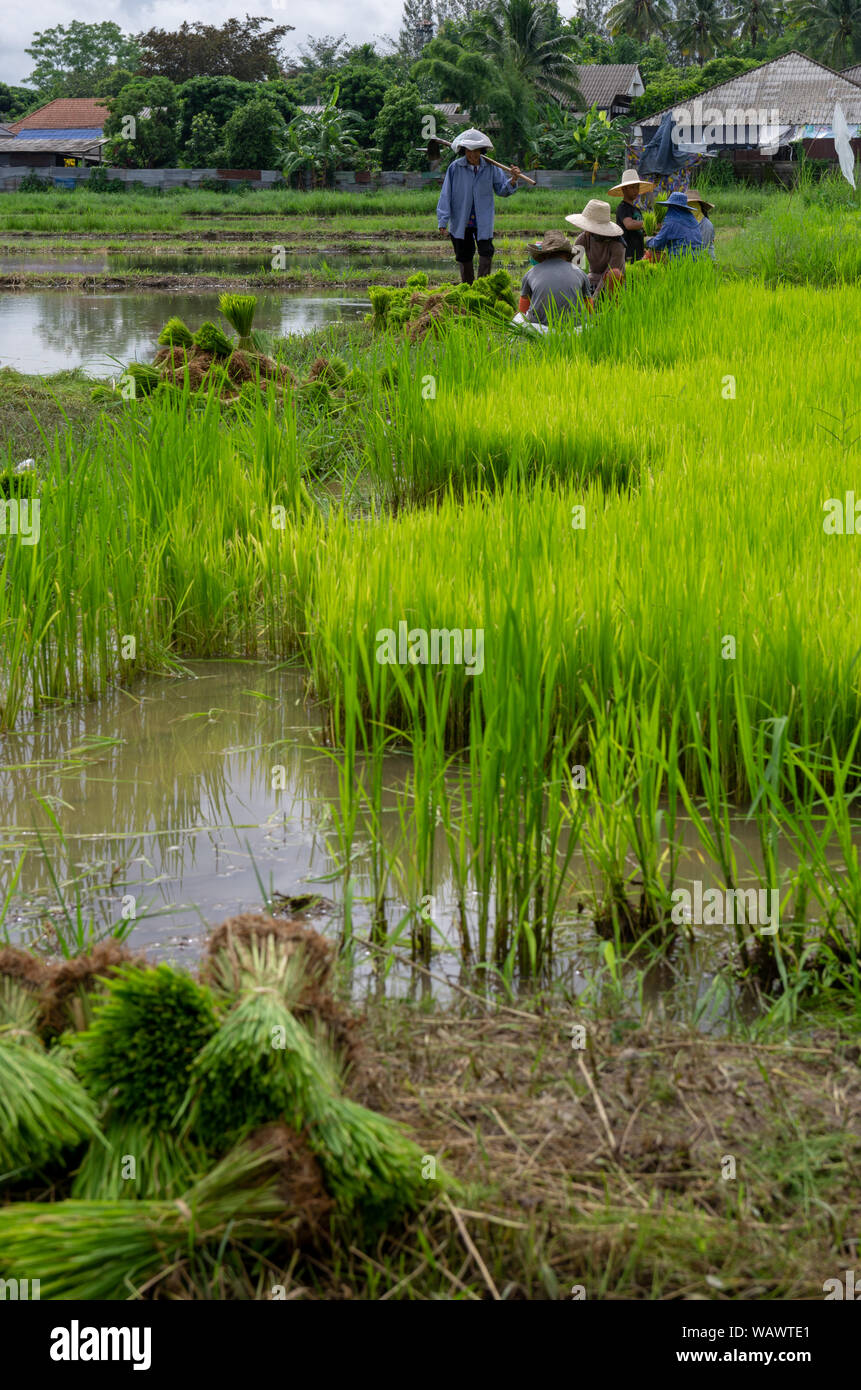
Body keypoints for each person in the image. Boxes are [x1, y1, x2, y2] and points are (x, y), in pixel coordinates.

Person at [436, 128, 522, 283]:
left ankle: (483, 285)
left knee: (486, 252)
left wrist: (513, 179)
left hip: (483, 220)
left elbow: (502, 190)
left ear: (482, 151)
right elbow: (445, 195)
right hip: (462, 219)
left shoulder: (491, 168)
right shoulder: (455, 168)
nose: (472, 155)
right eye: (469, 151)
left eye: (476, 151)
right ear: (464, 151)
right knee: (463, 254)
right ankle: (468, 287)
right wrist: (443, 220)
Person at [517, 230, 591, 327]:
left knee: (518, 318)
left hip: (540, 329)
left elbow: (523, 310)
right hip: (574, 329)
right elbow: (589, 308)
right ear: (568, 255)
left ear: (544, 255)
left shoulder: (530, 273)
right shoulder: (580, 273)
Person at [564, 199, 626, 296]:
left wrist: (594, 298)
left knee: (614, 275)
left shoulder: (617, 245)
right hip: (592, 280)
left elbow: (610, 274)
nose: (586, 230)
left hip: (612, 284)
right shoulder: (584, 238)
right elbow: (575, 268)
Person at [608, 168, 655, 262]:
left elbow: (640, 229)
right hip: (628, 251)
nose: (635, 190)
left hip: (639, 251)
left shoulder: (636, 209)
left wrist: (652, 228)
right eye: (632, 187)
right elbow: (629, 225)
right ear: (624, 189)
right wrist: (647, 223)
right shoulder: (622, 208)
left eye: (637, 187)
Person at [644, 191, 703, 261]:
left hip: (680, 260)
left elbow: (657, 244)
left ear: (672, 206)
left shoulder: (671, 221)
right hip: (698, 259)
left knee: (653, 253)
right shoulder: (693, 220)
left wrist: (647, 240)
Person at [685, 189, 716, 261]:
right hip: (689, 259)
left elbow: (702, 248)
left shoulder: (706, 225)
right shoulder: (685, 222)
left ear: (699, 207)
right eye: (688, 206)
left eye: (693, 206)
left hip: (704, 261)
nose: (690, 210)